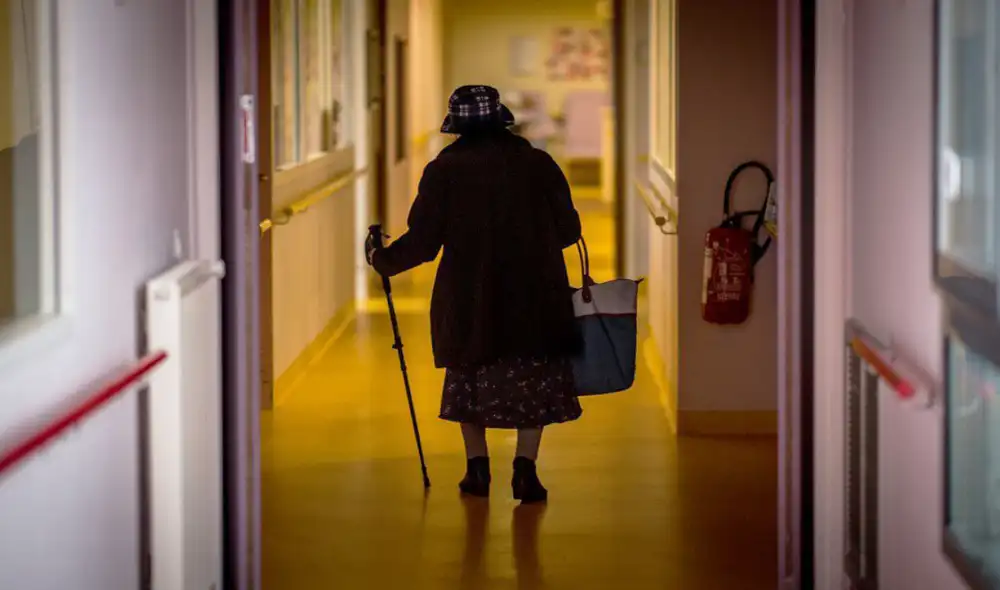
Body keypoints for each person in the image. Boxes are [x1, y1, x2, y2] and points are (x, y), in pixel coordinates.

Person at [365, 85, 583, 504]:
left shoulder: (444, 170)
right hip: (535, 292)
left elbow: (424, 242)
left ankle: (476, 469)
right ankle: (525, 470)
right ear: (501, 120)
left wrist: (383, 259)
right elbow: (569, 230)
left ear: (457, 127)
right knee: (532, 378)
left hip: (470, 294)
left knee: (470, 376)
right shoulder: (538, 164)